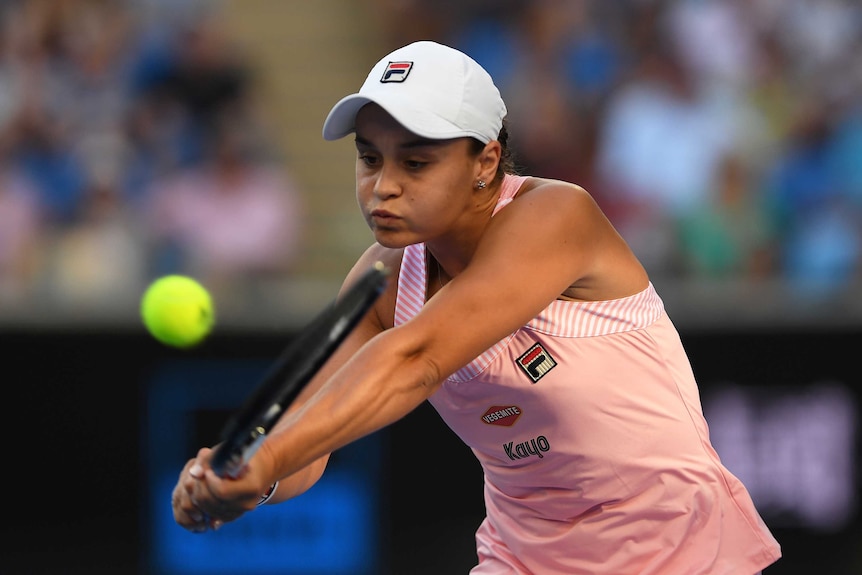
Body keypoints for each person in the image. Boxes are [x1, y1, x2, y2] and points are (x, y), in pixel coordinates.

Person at [172, 40, 782, 574]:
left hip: (675, 545)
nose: (383, 185)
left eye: (416, 162)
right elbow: (313, 432)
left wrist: (273, 453)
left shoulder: (558, 215)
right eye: (369, 157)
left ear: (486, 162)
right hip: (524, 556)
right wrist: (252, 474)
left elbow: (420, 356)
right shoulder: (380, 281)